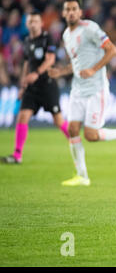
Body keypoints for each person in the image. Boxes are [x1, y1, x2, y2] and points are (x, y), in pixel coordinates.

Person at [48, 0, 116, 186]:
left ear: (80, 12)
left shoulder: (90, 28)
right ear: (64, 13)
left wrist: (93, 69)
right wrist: (62, 71)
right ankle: (82, 176)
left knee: (90, 135)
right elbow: (77, 63)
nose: (71, 12)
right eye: (68, 9)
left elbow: (112, 50)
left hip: (96, 89)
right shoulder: (66, 34)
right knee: (72, 129)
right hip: (77, 89)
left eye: (75, 9)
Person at [2, 10, 69, 164]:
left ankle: (75, 142)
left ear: (41, 23)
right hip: (32, 88)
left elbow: (50, 59)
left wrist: (37, 73)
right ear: (27, 24)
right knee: (22, 116)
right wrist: (23, 85)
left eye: (36, 21)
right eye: (30, 22)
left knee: (58, 120)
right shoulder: (26, 42)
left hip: (47, 85)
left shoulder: (47, 39)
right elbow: (27, 64)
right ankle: (17, 155)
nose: (33, 24)